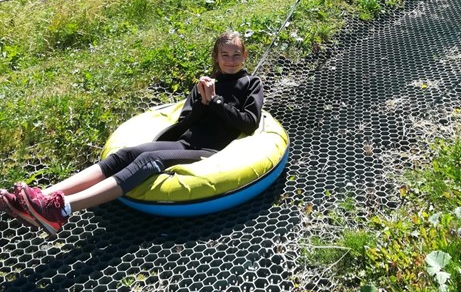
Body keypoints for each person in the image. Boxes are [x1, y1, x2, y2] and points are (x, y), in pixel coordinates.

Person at [0, 30, 264, 235]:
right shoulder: (205, 84)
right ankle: (41, 198)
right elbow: (184, 122)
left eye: (236, 55)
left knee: (147, 162)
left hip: (211, 150)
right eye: (225, 55)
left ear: (245, 56)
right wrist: (202, 101)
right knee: (124, 154)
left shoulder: (250, 83)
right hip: (185, 143)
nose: (231, 61)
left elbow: (249, 122)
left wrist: (216, 103)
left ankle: (63, 209)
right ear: (216, 57)